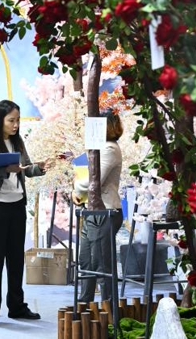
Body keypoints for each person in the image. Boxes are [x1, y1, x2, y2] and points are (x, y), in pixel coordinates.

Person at [0, 99, 46, 326]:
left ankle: (17, 306)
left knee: (16, 260)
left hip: (17, 206)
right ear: (0, 120)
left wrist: (39, 168)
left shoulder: (18, 141)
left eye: (18, 120)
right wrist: (5, 170)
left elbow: (26, 168)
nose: (16, 125)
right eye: (11, 121)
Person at [72, 111, 124, 303]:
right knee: (86, 260)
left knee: (102, 265)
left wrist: (76, 186)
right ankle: (84, 306)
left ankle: (109, 311)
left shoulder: (110, 149)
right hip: (93, 211)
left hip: (106, 212)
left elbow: (95, 181)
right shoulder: (100, 149)